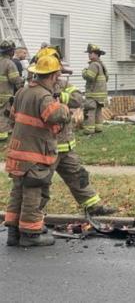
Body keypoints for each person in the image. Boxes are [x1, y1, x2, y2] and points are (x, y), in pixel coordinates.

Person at [36, 47, 118, 216]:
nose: (58, 74)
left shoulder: (63, 85)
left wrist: (62, 96)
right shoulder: (35, 89)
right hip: (47, 147)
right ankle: (33, 215)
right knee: (40, 182)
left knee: (79, 176)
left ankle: (94, 207)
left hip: (66, 146)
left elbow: (79, 98)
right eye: (55, 71)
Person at [4, 55, 71, 247]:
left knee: (18, 193)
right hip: (34, 155)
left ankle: (13, 232)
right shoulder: (44, 96)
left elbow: (13, 115)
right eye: (57, 75)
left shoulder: (22, 92)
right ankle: (30, 234)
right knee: (34, 193)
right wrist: (65, 108)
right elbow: (54, 115)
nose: (58, 79)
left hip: (17, 154)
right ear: (51, 76)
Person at [0, 40, 24, 142]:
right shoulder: (10, 63)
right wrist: (22, 82)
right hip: (4, 95)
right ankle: (2, 135)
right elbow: (15, 79)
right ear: (11, 52)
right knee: (4, 114)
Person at [82, 44, 108, 134]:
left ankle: (89, 130)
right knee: (98, 111)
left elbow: (90, 77)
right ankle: (98, 128)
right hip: (101, 94)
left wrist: (84, 71)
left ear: (97, 54)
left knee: (90, 111)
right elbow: (106, 78)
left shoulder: (93, 65)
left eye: (91, 53)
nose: (89, 55)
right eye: (88, 53)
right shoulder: (102, 65)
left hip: (93, 94)